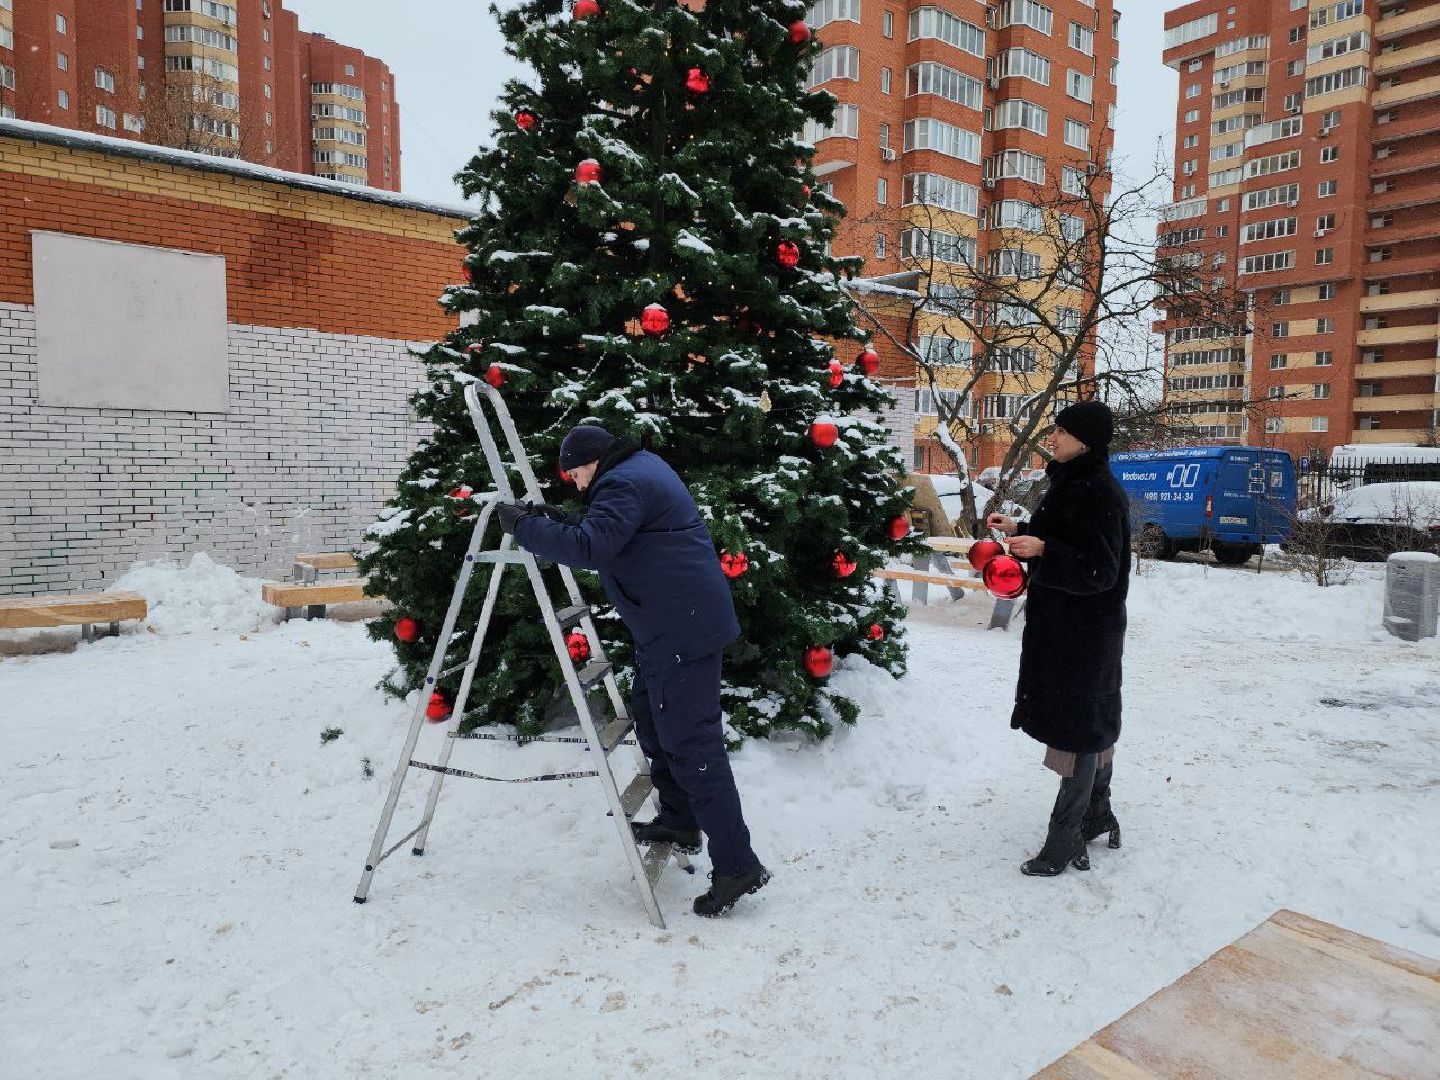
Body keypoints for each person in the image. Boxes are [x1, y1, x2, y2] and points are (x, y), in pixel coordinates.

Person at [495, 424, 769, 917]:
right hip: (671, 625)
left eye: (574, 474)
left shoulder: (623, 481)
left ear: (591, 462)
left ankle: (737, 864)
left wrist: (524, 527)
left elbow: (592, 547)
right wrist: (560, 519)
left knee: (693, 744)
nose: (575, 483)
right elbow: (607, 529)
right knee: (651, 716)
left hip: (682, 630)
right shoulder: (632, 472)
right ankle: (681, 820)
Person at [986, 400, 1130, 877]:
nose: (1051, 438)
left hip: (1083, 634)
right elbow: (1071, 540)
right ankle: (1096, 814)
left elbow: (1100, 570)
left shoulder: (1098, 492)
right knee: (1091, 723)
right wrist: (1023, 531)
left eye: (1060, 432)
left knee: (1081, 731)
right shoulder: (1072, 483)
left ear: (1084, 441)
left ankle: (1064, 841)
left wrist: (1044, 549)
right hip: (1068, 630)